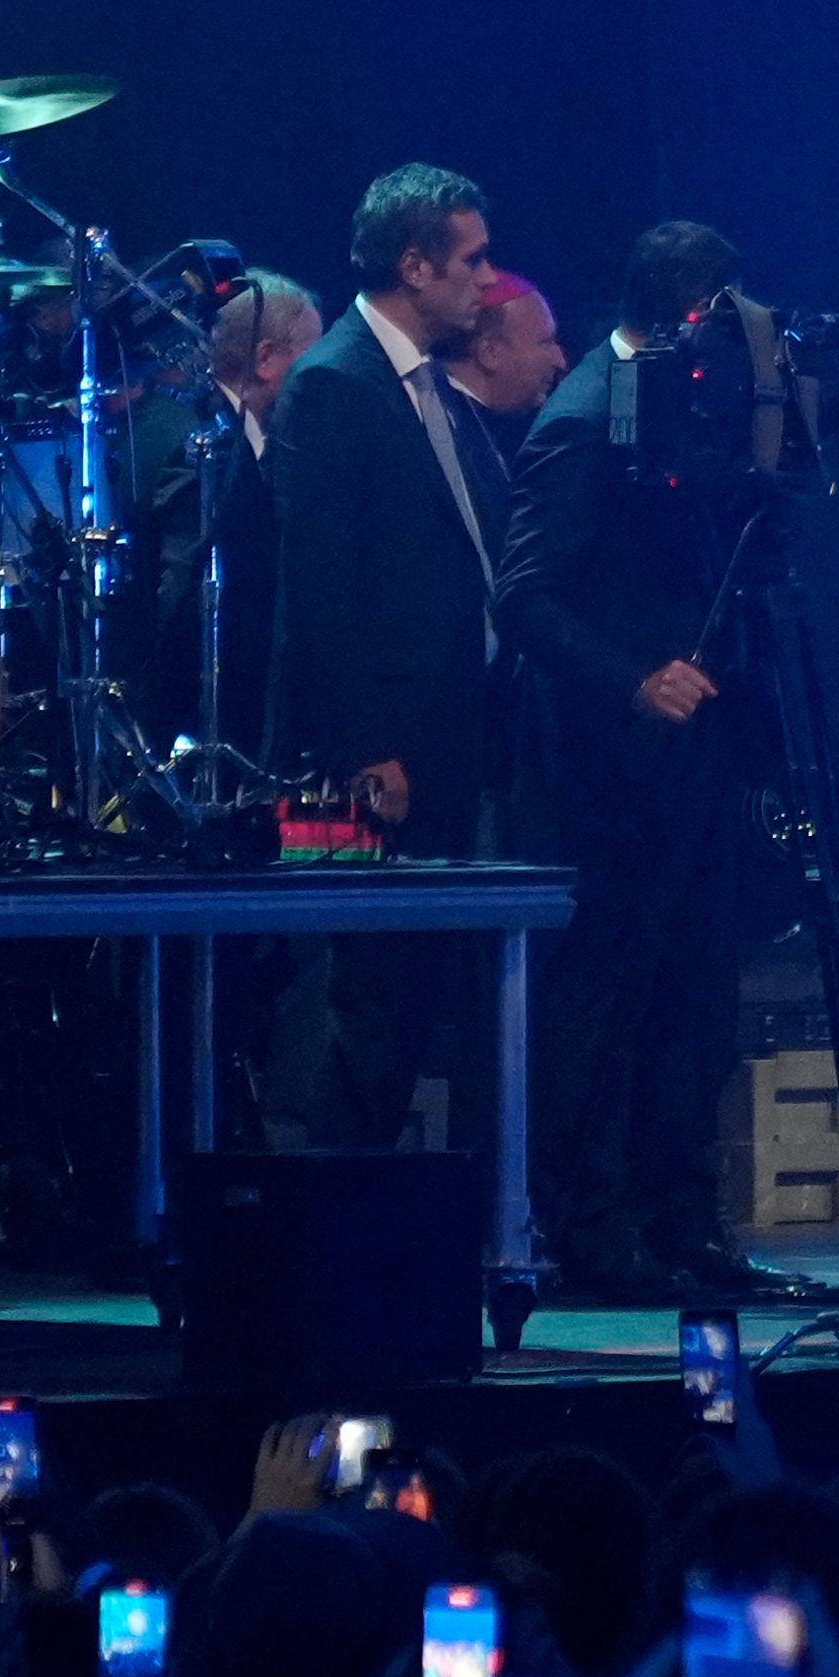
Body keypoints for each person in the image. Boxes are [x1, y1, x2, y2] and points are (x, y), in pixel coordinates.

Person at [497, 217, 766, 1304]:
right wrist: (632, 677)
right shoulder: (578, 421)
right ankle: (594, 1229)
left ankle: (683, 1218)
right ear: (685, 318)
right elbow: (524, 595)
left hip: (694, 755)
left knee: (696, 994)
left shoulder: (689, 414)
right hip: (610, 767)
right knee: (608, 1001)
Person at [264, 162, 505, 1155]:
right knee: (360, 993)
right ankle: (325, 1232)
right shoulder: (334, 384)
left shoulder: (426, 388)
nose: (488, 279)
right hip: (359, 763)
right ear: (415, 264)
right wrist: (371, 746)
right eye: (473, 258)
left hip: (443, 740)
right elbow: (322, 596)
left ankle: (382, 1230)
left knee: (412, 996)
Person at [146, 263, 316, 758]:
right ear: (266, 359)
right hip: (202, 731)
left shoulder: (246, 438)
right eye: (312, 357)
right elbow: (178, 606)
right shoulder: (200, 445)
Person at [447, 270, 566, 509]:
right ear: (490, 353)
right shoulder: (448, 438)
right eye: (546, 342)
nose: (560, 361)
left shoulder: (504, 426)